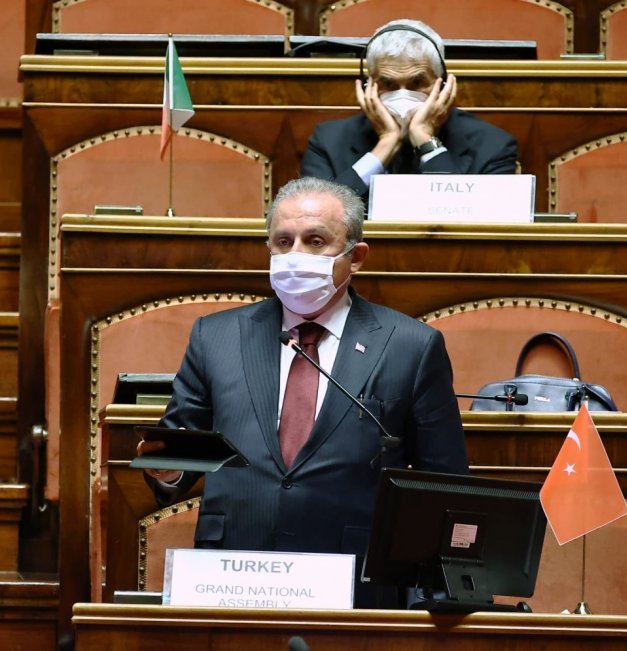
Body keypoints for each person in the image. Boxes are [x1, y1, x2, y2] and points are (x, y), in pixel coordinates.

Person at [138, 176, 468, 607]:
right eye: (283, 241)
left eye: (315, 241)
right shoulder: (216, 336)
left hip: (355, 583)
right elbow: (180, 451)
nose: (296, 255)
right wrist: (167, 469)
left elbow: (444, 485)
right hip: (234, 578)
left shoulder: (410, 346)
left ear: (356, 256)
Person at [300, 19, 519, 205]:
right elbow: (316, 219)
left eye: (417, 83)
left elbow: (470, 222)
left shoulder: (493, 146)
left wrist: (425, 140)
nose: (403, 95)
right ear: (368, 86)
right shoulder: (327, 141)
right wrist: (385, 144)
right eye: (388, 84)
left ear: (442, 85)